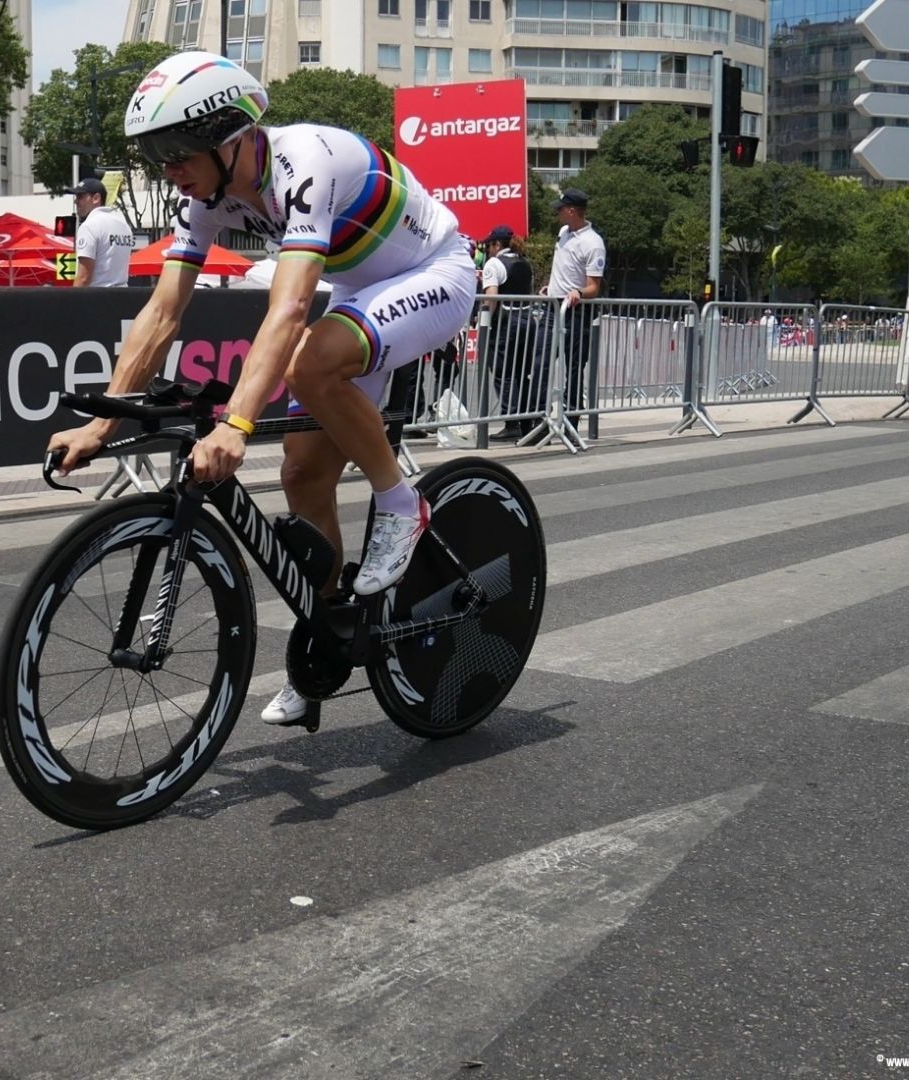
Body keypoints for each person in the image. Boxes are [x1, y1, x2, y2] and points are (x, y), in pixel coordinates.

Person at [47, 50, 478, 726]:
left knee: (310, 362)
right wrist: (103, 424)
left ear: (229, 137)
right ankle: (325, 639)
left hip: (435, 272)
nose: (168, 168)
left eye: (176, 150)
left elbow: (290, 308)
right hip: (362, 288)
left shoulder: (302, 163)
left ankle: (402, 503)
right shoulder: (202, 200)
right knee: (302, 475)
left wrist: (236, 424)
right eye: (155, 154)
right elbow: (162, 312)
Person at [478, 224, 541, 442]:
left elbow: (491, 297)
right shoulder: (525, 262)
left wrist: (484, 321)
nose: (488, 250)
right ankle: (526, 422)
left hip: (506, 323)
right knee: (522, 373)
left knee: (502, 372)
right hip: (528, 321)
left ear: (497, 244)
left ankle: (511, 422)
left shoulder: (493, 264)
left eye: (489, 245)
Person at [543, 189, 605, 411]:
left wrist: (579, 292)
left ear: (571, 211)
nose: (557, 213)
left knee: (574, 366)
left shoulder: (593, 243)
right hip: (553, 307)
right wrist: (551, 287)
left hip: (575, 311)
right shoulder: (563, 232)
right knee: (541, 360)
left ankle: (571, 415)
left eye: (560, 209)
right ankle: (539, 415)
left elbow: (594, 287)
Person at [67, 177, 135, 287]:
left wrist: (71, 298)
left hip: (98, 294)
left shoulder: (89, 226)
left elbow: (84, 277)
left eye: (80, 196)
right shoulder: (124, 225)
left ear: (96, 198)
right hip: (123, 293)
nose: (76, 201)